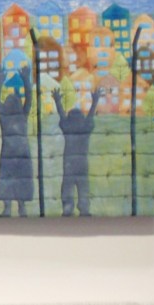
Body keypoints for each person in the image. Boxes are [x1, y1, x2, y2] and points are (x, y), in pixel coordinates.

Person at [52, 86, 102, 216]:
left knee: (67, 186)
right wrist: (95, 101)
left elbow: (62, 117)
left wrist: (57, 101)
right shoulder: (85, 128)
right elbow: (90, 117)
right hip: (82, 163)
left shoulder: (68, 128)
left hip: (69, 163)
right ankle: (84, 209)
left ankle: (68, 208)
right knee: (83, 187)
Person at [0, 69, 34, 217]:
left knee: (9, 179)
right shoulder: (21, 115)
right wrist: (25, 79)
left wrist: (0, 81)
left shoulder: (6, 116)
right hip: (20, 153)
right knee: (16, 179)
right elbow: (29, 98)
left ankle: (13, 208)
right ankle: (16, 208)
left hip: (11, 154)